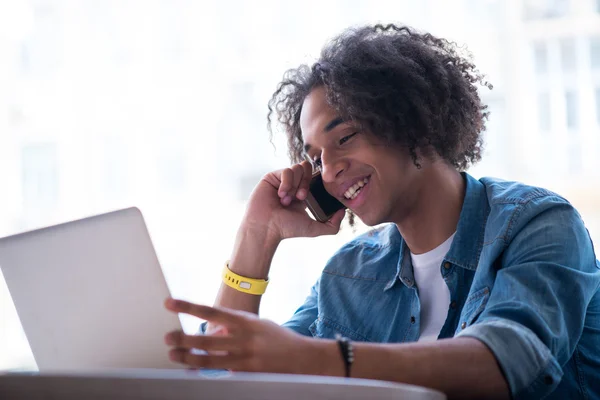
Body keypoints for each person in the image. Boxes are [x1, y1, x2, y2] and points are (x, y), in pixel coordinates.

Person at [163, 24, 600, 399]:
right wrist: (257, 236)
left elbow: (509, 362)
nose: (329, 171)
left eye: (345, 137)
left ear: (412, 121)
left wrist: (321, 358)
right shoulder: (349, 274)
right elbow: (220, 380)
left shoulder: (538, 223)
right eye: (315, 158)